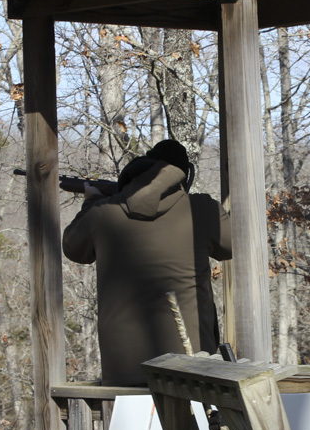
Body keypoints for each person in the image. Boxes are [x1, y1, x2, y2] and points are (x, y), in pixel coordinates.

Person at [63, 139, 231, 386]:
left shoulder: (102, 213)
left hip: (123, 373)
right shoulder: (202, 210)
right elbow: (233, 245)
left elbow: (73, 249)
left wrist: (91, 202)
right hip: (193, 367)